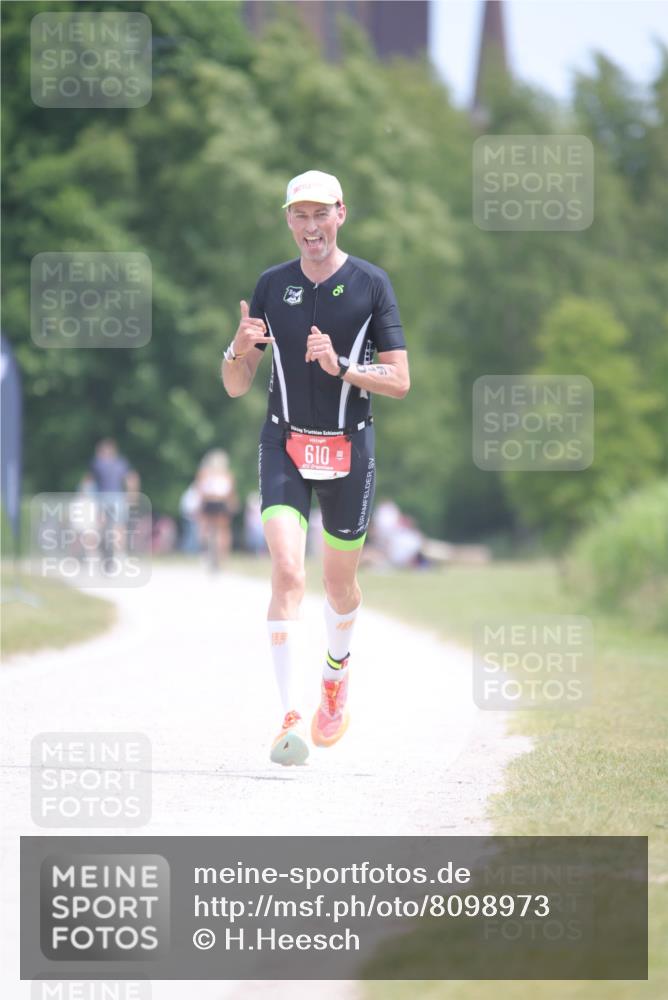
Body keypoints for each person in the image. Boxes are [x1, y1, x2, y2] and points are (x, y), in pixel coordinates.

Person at [221, 169, 410, 766]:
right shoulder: (272, 286)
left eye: (320, 214)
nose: (311, 227)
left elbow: (401, 380)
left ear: (341, 215)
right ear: (288, 221)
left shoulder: (371, 284)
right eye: (299, 216)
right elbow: (234, 385)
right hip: (284, 444)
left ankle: (335, 676)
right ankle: (290, 718)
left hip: (349, 449)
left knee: (338, 585)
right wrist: (238, 344)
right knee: (286, 573)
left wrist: (343, 368)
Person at [196, 449, 239, 570]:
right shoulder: (227, 475)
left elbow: (201, 490)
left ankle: (206, 553)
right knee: (222, 530)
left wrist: (200, 505)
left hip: (209, 502)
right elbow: (231, 493)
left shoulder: (205, 473)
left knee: (206, 528)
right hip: (221, 502)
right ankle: (222, 556)